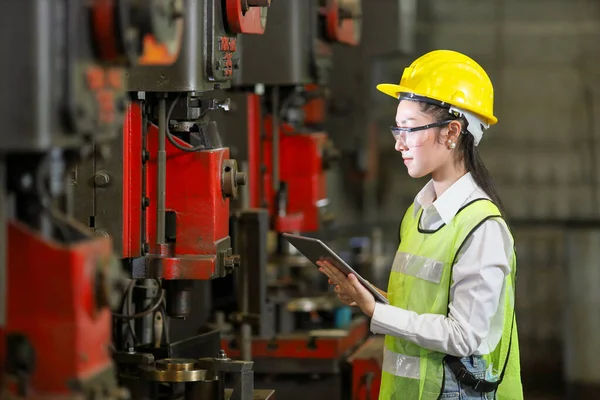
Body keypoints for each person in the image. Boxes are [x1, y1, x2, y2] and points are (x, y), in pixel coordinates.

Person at [317, 50, 523, 400]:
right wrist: (369, 296)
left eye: (410, 129)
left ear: (452, 132)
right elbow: (425, 308)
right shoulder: (418, 213)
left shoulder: (481, 227)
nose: (398, 143)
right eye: (397, 128)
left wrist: (377, 311)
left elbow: (465, 336)